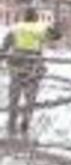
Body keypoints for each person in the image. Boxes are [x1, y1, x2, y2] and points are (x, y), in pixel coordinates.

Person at [2, 8, 58, 138]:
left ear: (24, 17)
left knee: (14, 97)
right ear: (36, 18)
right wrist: (47, 27)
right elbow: (57, 36)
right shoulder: (40, 28)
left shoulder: (16, 28)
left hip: (16, 67)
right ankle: (25, 122)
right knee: (30, 98)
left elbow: (4, 48)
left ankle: (11, 125)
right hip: (33, 67)